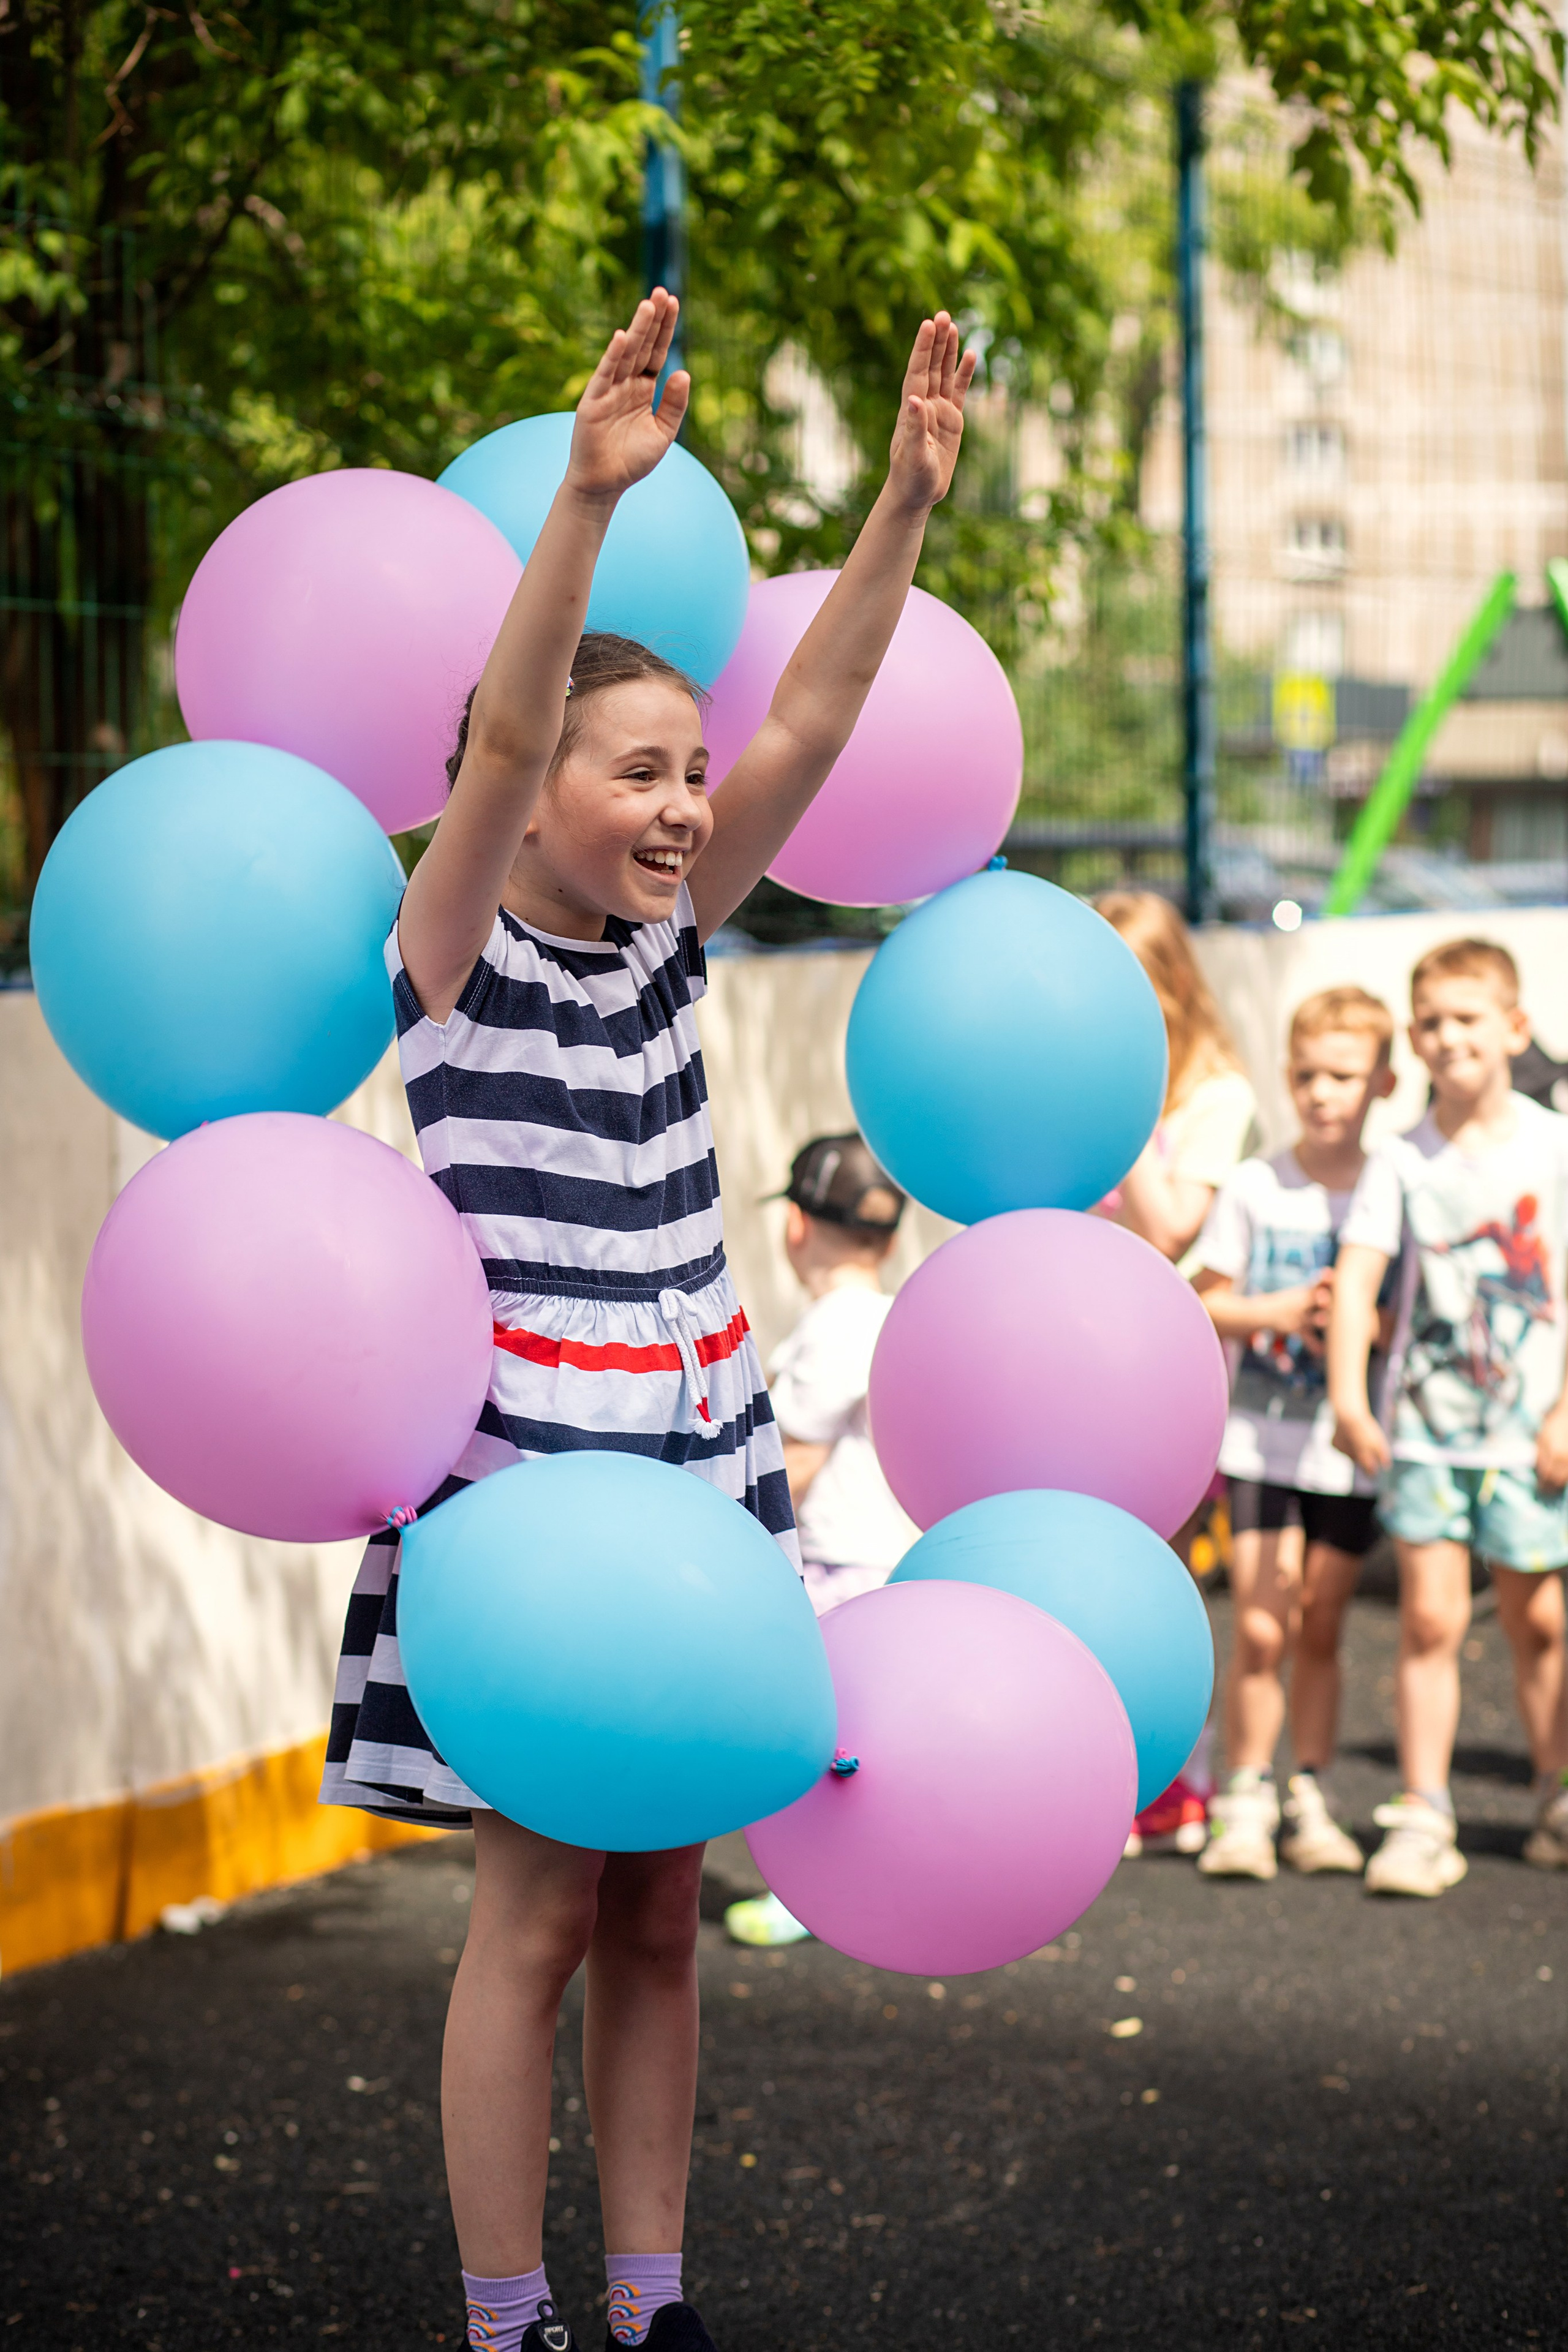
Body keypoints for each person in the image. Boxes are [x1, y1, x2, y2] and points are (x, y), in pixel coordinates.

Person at [318, 288, 977, 2351]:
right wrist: (586, 509)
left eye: (691, 776)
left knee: (670, 1915)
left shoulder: (672, 946)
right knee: (532, 1919)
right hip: (534, 1485)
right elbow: (506, 732)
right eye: (645, 774)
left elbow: (815, 722)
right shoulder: (448, 947)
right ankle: (502, 2315)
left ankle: (651, 2299)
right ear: (524, 801)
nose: (691, 803)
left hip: (702, 1460)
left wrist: (903, 509)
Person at [1329, 938, 1568, 1898]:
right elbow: (1357, 1286)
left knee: (1538, 1619)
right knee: (1429, 1618)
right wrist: (1350, 1395)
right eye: (1430, 1021)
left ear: (1515, 1027)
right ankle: (1425, 1811)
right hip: (1427, 1432)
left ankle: (1554, 1793)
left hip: (1531, 1436)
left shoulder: (1553, 1148)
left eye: (1467, 1017)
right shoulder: (1400, 1161)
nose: (1447, 1036)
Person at [1190, 987, 1397, 1880]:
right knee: (1263, 1630)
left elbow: (1408, 1310)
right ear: (1288, 1078)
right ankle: (1245, 1795)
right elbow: (1204, 1299)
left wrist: (1370, 1328)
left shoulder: (1394, 1189)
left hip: (1347, 1454)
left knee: (1321, 1627)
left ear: (1382, 1083)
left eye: (1343, 1076)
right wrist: (1277, 1310)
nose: (1323, 1093)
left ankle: (1309, 1791)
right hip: (1261, 1445)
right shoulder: (1254, 1185)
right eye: (1308, 1075)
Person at [723, 1134, 919, 1950]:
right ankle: (878, 1880)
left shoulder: (830, 1330)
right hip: (890, 1558)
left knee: (820, 1743)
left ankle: (813, 1891)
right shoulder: (896, 1319)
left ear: (795, 1227)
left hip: (837, 1563)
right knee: (870, 1740)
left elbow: (792, 1462)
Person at [1095, 890, 1256, 1855]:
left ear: (1168, 987)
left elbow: (1169, 1226)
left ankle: (1174, 1774)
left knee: (1160, 1572)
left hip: (1169, 1365)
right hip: (1080, 1354)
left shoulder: (1213, 1094)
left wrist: (1125, 1086)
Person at [1093, 889, 1257, 1268]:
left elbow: (1168, 1235)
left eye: (1125, 995)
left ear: (1177, 986)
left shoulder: (1221, 1096)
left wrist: (1125, 1101)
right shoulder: (1086, 1083)